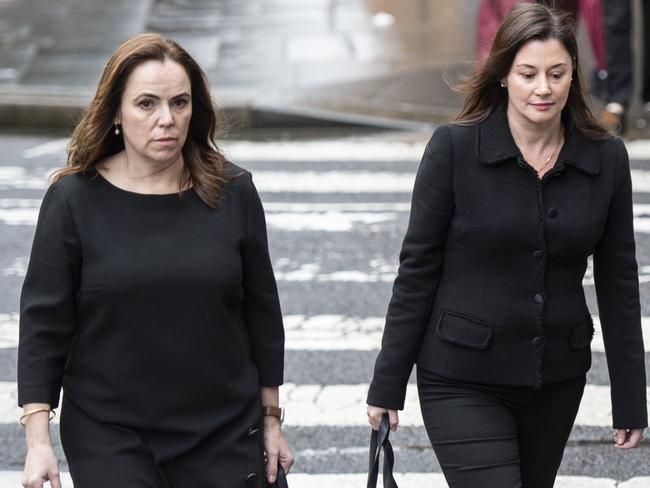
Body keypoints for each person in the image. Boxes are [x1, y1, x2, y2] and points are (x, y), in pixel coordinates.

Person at [367, 3, 646, 487]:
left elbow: (619, 283)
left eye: (557, 73)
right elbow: (416, 271)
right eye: (528, 73)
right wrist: (387, 383)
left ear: (573, 75)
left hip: (555, 379)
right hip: (461, 376)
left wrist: (629, 396)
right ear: (502, 76)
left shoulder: (605, 158)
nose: (543, 88)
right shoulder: (454, 148)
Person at [18, 33, 293, 488]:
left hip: (222, 430)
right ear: (116, 114)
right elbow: (44, 323)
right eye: (147, 104)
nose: (167, 119)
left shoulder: (233, 192)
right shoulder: (73, 199)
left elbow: (262, 314)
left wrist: (271, 420)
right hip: (111, 434)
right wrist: (38, 442)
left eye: (179, 103)